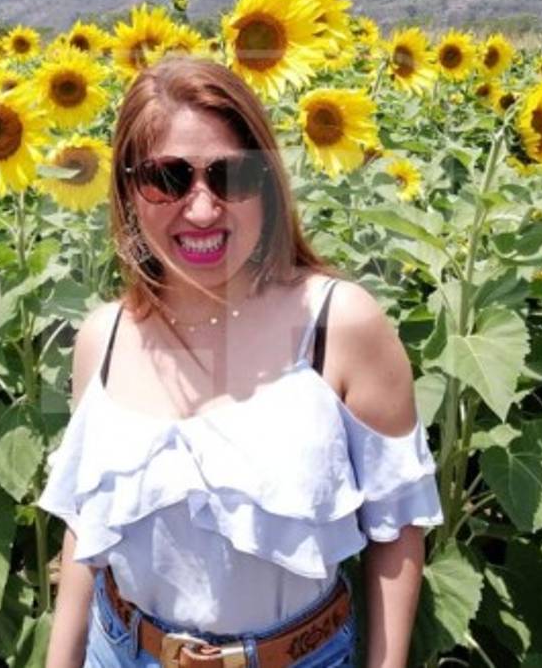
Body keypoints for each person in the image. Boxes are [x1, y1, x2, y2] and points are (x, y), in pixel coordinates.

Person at [38, 57, 442, 668]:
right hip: (121, 650)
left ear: (268, 185)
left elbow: (397, 532)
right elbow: (86, 532)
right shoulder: (103, 338)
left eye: (231, 177)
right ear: (126, 191)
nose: (201, 209)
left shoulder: (338, 325)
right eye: (166, 179)